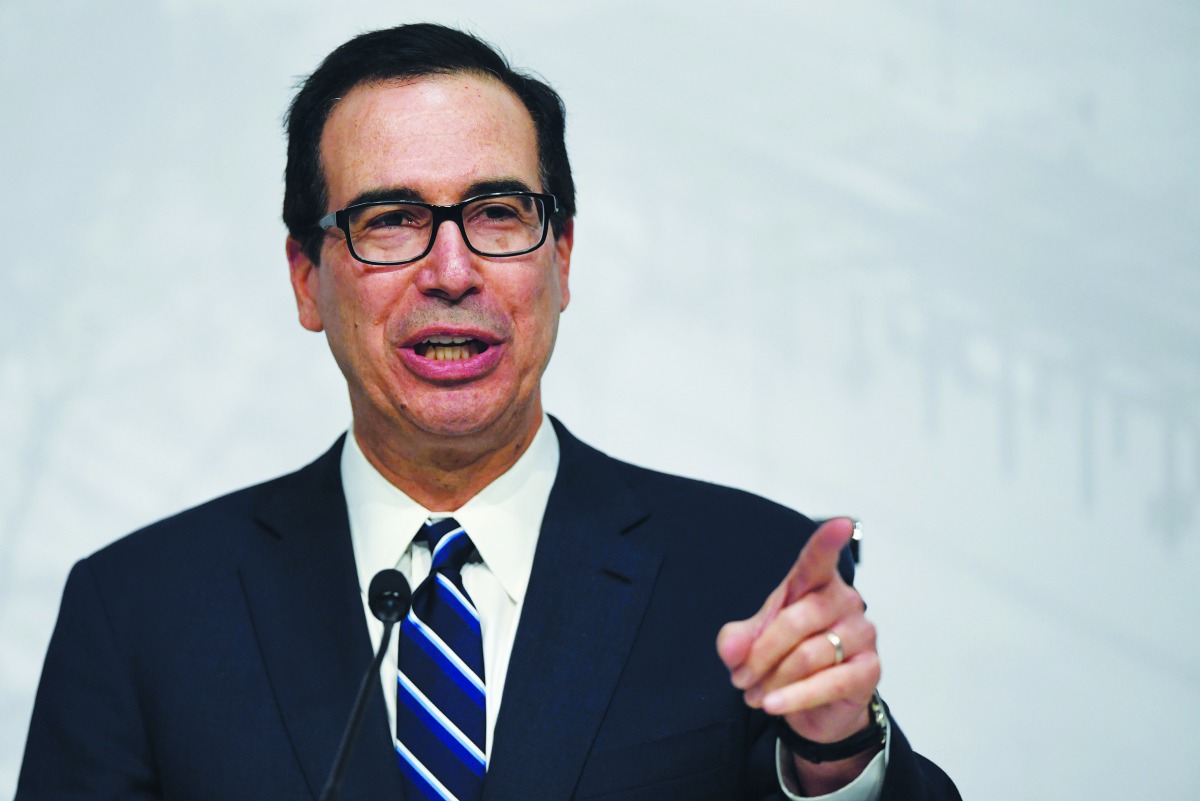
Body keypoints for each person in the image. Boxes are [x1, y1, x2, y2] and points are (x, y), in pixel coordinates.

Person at [17, 23, 960, 801]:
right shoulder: (137, 611)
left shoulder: (751, 576)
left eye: (498, 213)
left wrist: (835, 756)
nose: (452, 270)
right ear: (306, 279)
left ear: (563, 258)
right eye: (391, 219)